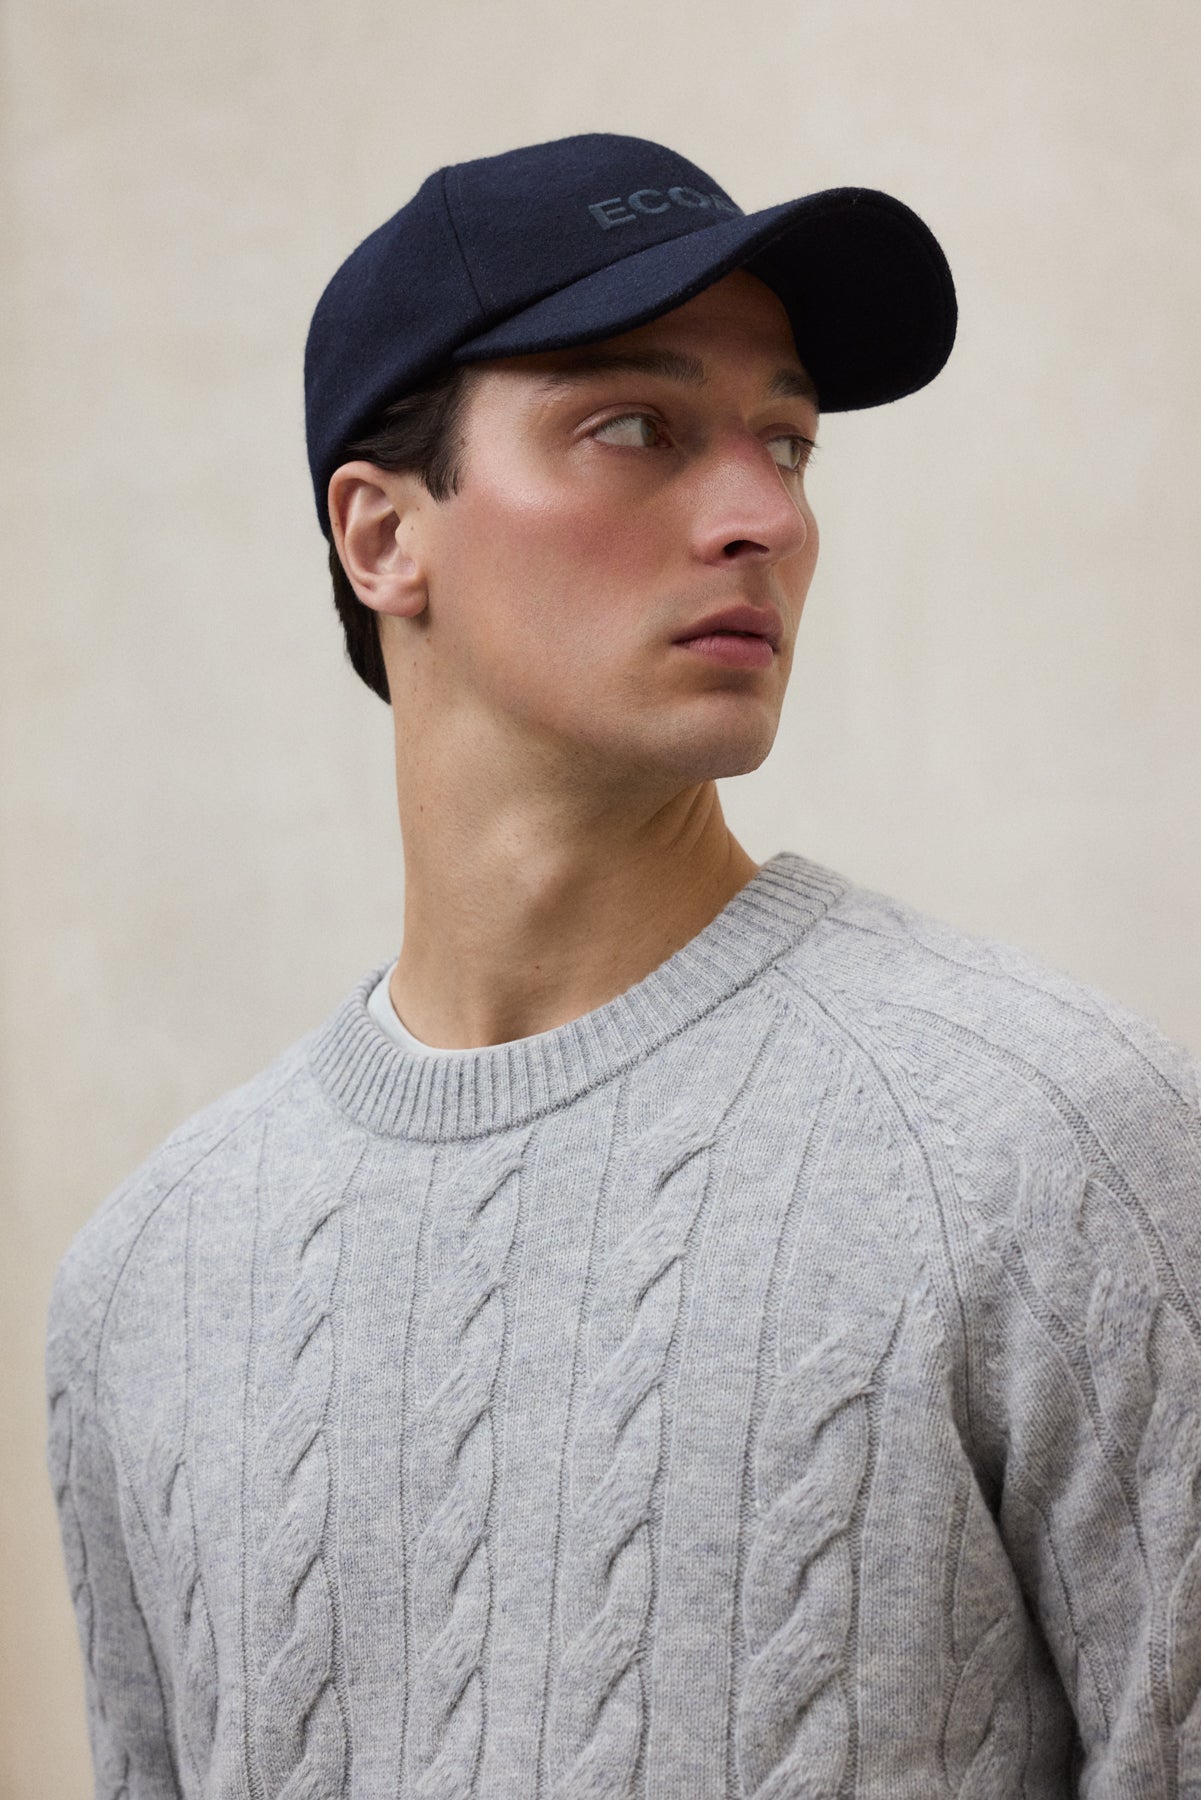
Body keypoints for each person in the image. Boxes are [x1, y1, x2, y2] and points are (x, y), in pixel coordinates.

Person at [46, 132, 1201, 1798]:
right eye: (634, 428)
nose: (763, 516)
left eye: (786, 443)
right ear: (381, 536)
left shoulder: (1054, 1144)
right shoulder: (147, 1279)